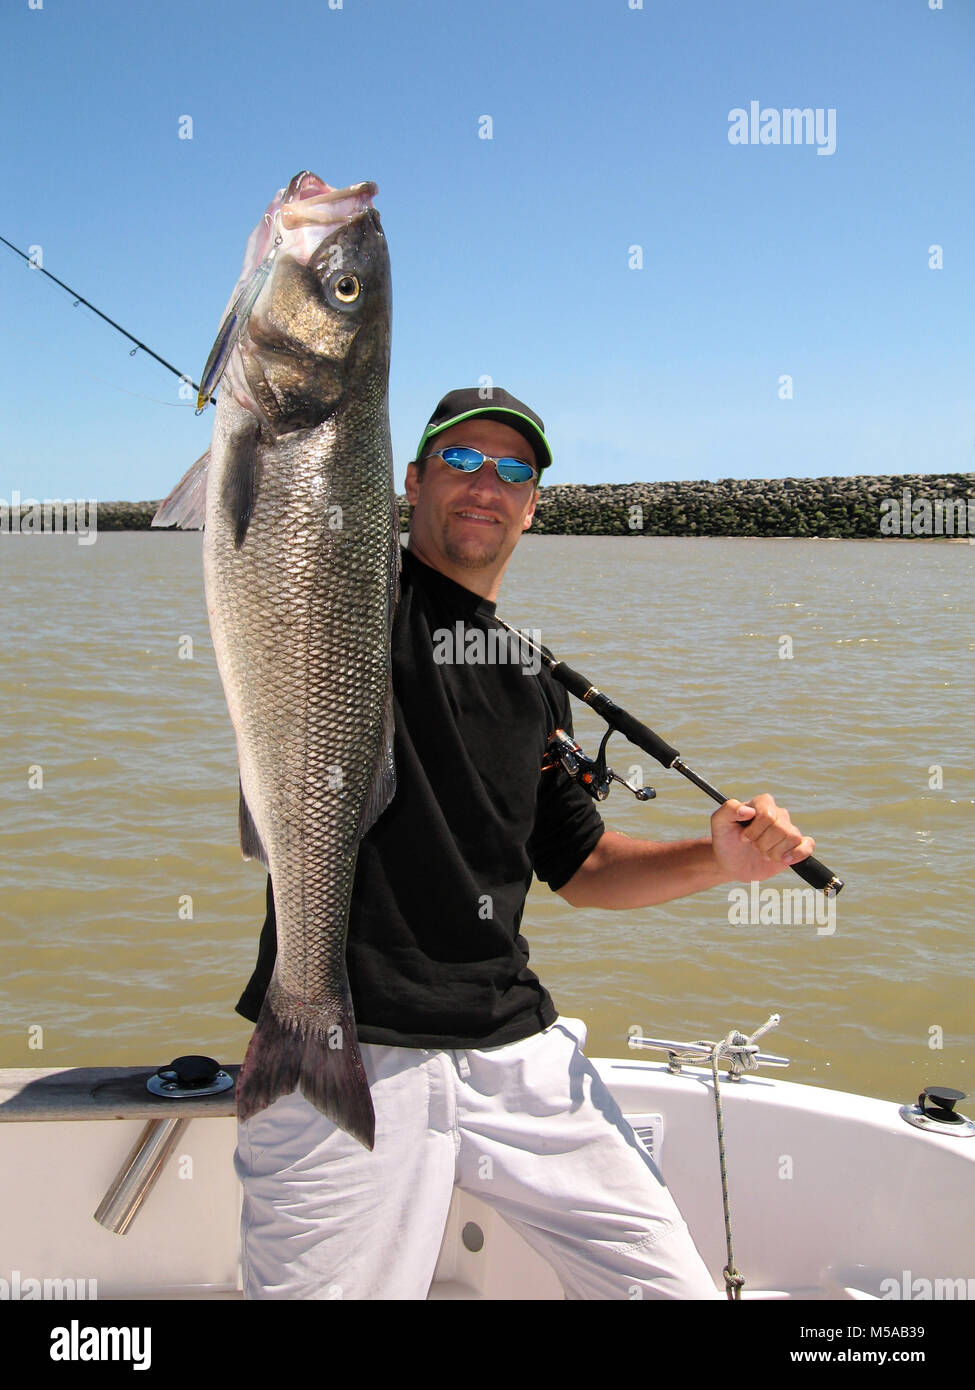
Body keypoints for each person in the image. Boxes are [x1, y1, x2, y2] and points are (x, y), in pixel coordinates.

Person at [233, 387, 816, 1301]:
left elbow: (581, 870)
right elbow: (278, 515)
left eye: (513, 470)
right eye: (460, 460)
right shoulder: (345, 606)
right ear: (411, 481)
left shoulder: (531, 678)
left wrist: (720, 860)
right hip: (351, 1037)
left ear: (533, 504)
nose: (485, 484)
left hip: (518, 1047)